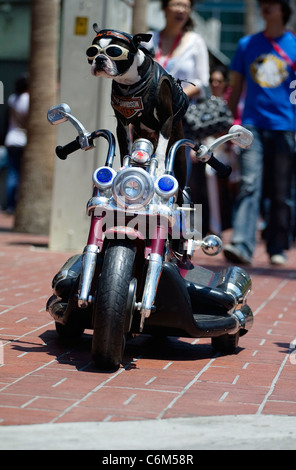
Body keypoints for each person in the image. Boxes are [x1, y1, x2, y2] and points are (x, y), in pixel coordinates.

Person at [223, 0, 296, 266]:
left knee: (282, 191)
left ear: (283, 10)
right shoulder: (246, 45)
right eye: (263, 2)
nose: (266, 6)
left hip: (286, 128)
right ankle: (242, 244)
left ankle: (278, 246)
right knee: (249, 183)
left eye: (272, 2)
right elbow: (235, 88)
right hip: (251, 125)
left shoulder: (294, 46)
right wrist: (225, 123)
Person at [146, 0, 209, 184]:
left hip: (179, 120)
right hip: (149, 120)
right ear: (164, 8)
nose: (181, 10)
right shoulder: (149, 39)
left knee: (175, 179)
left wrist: (175, 97)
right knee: (144, 173)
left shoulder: (196, 42)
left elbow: (202, 83)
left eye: (186, 6)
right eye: (177, 4)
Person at [4, 74, 29, 214]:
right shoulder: (28, 99)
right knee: (20, 175)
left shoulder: (12, 98)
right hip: (22, 140)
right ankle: (17, 205)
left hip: (10, 139)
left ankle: (10, 205)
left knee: (12, 174)